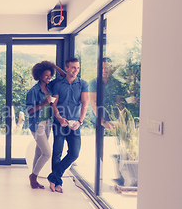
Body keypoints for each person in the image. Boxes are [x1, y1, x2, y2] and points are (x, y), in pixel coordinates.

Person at [48, 57, 89, 193]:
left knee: (74, 153)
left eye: (77, 67)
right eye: (73, 67)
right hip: (59, 123)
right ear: (67, 68)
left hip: (74, 124)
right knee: (57, 152)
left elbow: (85, 104)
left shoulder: (83, 84)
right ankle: (57, 183)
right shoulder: (58, 85)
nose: (76, 70)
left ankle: (53, 177)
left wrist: (80, 121)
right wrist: (59, 118)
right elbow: (54, 104)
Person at [25, 61, 61, 189]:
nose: (49, 77)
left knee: (39, 151)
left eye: (50, 75)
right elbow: (28, 111)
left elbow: (63, 76)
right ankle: (33, 177)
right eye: (46, 75)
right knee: (46, 153)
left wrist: (53, 65)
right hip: (37, 124)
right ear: (39, 75)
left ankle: (33, 179)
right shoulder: (33, 91)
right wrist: (43, 103)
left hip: (48, 123)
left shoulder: (50, 87)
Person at [88, 57, 124, 129]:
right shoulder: (93, 83)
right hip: (97, 123)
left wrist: (120, 119)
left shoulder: (116, 83)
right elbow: (93, 104)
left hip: (113, 121)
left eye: (107, 68)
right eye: (101, 68)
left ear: (111, 68)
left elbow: (119, 102)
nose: (104, 70)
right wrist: (103, 122)